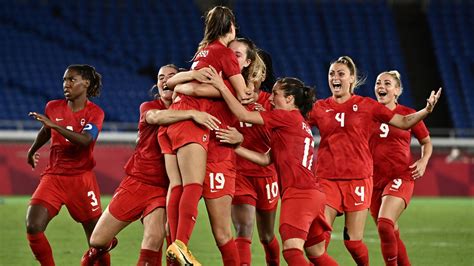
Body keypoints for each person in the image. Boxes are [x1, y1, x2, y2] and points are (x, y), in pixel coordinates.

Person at [306, 56, 441, 266]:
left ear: (352, 78)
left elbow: (406, 124)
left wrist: (426, 111)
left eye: (341, 73)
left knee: (363, 237)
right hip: (331, 180)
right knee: (315, 245)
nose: (335, 77)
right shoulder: (319, 108)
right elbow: (293, 122)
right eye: (332, 73)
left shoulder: (367, 107)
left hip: (369, 179)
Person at [80, 64, 220, 266]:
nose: (165, 80)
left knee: (153, 240)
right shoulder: (149, 107)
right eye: (161, 77)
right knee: (97, 239)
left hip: (163, 189)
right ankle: (97, 251)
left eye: (171, 76)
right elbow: (156, 117)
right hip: (137, 182)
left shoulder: (194, 110)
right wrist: (192, 114)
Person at [210, 74, 338, 265]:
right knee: (315, 253)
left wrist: (221, 86)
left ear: (289, 99)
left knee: (292, 252)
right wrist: (236, 147)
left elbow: (243, 115)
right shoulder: (297, 123)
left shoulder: (286, 117)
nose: (269, 98)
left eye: (275, 94)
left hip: (298, 195)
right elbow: (265, 159)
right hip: (313, 194)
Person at [161, 6, 251, 266]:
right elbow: (242, 96)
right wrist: (223, 88)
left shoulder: (202, 52)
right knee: (193, 187)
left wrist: (192, 85)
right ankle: (180, 245)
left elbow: (180, 85)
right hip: (197, 129)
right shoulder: (223, 54)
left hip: (181, 123)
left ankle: (177, 245)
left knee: (180, 187)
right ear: (231, 27)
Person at [26, 64, 108, 265]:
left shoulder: (95, 113)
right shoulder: (53, 107)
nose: (66, 84)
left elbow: (86, 140)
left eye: (72, 79)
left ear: (86, 83)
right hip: (53, 177)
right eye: (64, 80)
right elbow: (46, 131)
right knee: (33, 226)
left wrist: (55, 125)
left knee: (98, 241)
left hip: (81, 180)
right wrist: (32, 149)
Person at [369, 71, 432, 265]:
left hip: (400, 176)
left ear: (397, 90)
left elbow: (426, 142)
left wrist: (423, 161)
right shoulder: (367, 112)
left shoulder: (407, 113)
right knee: (391, 232)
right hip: (372, 181)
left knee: (385, 225)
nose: (381, 86)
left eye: (387, 83)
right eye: (378, 82)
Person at [228, 38, 280, 266]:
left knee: (267, 236)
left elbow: (280, 143)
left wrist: (264, 118)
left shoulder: (272, 103)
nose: (248, 82)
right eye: (244, 77)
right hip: (239, 173)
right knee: (243, 228)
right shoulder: (228, 99)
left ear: (261, 77)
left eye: (253, 76)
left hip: (266, 174)